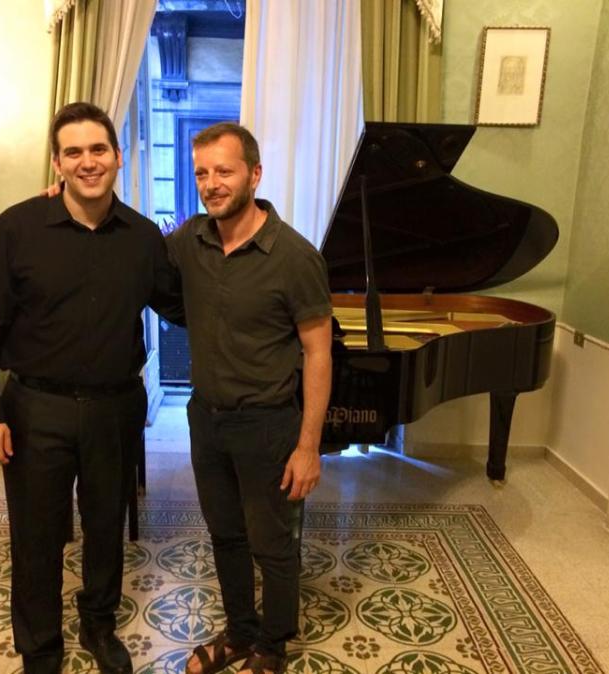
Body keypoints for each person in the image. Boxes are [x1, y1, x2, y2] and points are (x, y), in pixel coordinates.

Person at [0, 102, 183, 674]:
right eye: (74, 152)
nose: (88, 162)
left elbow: (181, 304)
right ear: (57, 163)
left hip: (115, 408)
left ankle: (98, 625)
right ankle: (41, 649)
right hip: (36, 409)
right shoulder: (17, 228)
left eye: (98, 149)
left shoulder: (142, 236)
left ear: (118, 156)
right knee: (36, 538)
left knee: (106, 528)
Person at [167, 123, 333, 674]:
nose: (211, 183)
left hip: (268, 424)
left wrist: (308, 447)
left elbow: (318, 353)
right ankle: (240, 632)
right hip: (205, 419)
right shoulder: (189, 241)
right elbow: (131, 252)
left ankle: (273, 645)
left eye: (224, 170)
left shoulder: (295, 256)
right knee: (226, 534)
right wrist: (67, 197)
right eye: (202, 173)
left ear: (255, 175)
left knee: (273, 543)